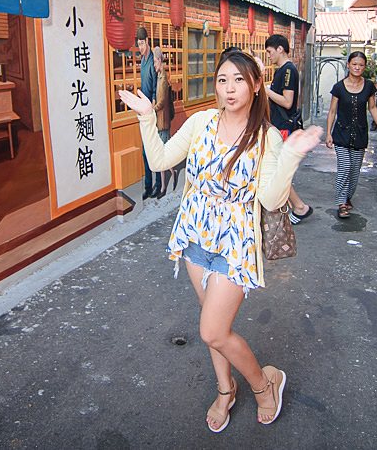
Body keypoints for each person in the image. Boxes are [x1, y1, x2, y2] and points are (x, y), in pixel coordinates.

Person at [118, 50, 323, 431]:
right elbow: (161, 160)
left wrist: (291, 155)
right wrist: (148, 118)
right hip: (195, 235)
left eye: (239, 80)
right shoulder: (201, 123)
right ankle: (225, 390)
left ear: (257, 84)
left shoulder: (264, 138)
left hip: (236, 245)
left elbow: (271, 200)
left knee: (212, 330)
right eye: (223, 80)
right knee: (215, 326)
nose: (229, 88)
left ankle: (264, 384)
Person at [325, 52, 377, 219]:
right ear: (348, 65)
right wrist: (328, 133)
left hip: (359, 133)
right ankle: (341, 203)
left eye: (361, 65)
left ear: (364, 67)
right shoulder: (338, 87)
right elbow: (332, 112)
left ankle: (348, 197)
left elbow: (372, 108)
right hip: (341, 133)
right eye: (354, 64)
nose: (357, 67)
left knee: (354, 170)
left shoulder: (368, 87)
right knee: (345, 167)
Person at [263, 34, 313, 225]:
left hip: (284, 127)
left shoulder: (288, 71)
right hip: (278, 126)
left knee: (279, 170)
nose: (268, 55)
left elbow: (287, 101)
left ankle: (299, 207)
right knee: (278, 169)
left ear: (280, 49)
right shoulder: (282, 70)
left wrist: (265, 89)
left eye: (269, 51)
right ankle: (295, 206)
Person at [152, 46, 180, 196]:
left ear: (159, 61)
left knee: (161, 154)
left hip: (162, 122)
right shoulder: (160, 76)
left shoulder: (163, 79)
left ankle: (164, 185)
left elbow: (162, 102)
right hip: (160, 121)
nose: (154, 65)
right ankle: (168, 177)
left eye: (155, 62)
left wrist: (152, 109)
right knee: (161, 153)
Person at [136, 27, 161, 199]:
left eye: (142, 44)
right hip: (143, 111)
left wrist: (152, 104)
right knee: (145, 151)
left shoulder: (152, 60)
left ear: (148, 42)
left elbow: (155, 89)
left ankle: (158, 185)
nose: (140, 47)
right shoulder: (142, 61)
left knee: (154, 150)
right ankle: (148, 186)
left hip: (152, 110)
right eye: (138, 44)